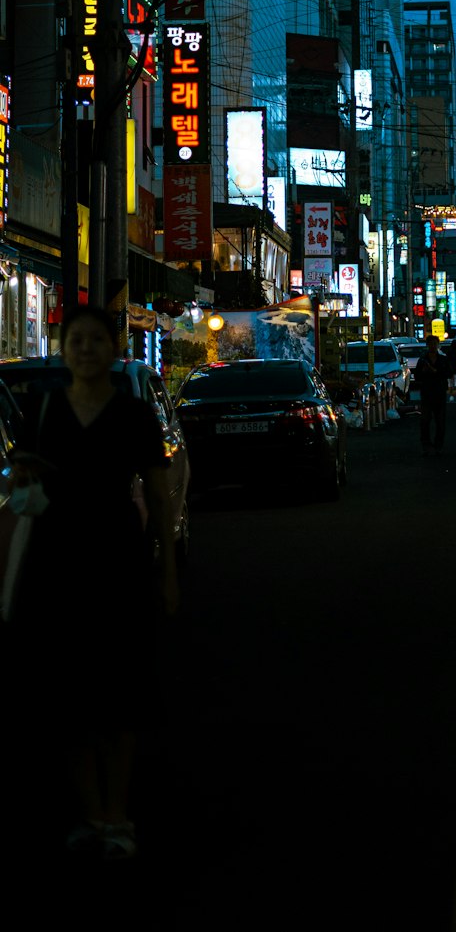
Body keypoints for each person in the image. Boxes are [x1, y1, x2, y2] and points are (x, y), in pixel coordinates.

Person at [6, 303, 178, 859]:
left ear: (113, 347)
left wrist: (167, 567)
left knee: (120, 690)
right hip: (56, 564)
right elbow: (21, 477)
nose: (85, 350)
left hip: (117, 559)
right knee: (70, 696)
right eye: (76, 340)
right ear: (63, 348)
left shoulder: (134, 415)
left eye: (96, 341)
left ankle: (117, 813)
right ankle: (90, 812)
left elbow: (157, 492)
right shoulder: (43, 407)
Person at [413, 333, 450, 455]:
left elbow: (448, 373)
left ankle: (438, 445)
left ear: (438, 345)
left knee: (440, 422)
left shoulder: (443, 359)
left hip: (439, 393)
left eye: (435, 344)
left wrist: (436, 371)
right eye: (431, 344)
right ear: (427, 345)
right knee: (425, 421)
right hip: (427, 393)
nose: (433, 346)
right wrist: (424, 372)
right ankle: (426, 444)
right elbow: (417, 376)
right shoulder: (423, 360)